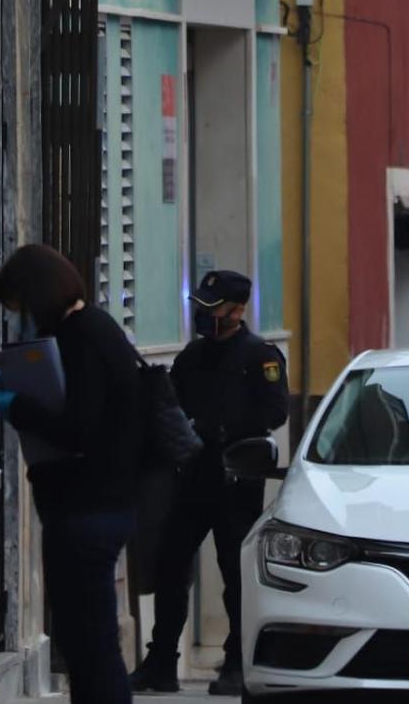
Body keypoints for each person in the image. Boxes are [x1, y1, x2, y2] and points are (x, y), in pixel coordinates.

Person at [0, 245, 144, 704]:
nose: (20, 320)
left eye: (20, 308)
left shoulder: (84, 336)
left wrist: (17, 407)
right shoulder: (93, 331)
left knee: (90, 645)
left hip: (88, 512)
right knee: (82, 641)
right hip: (95, 508)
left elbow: (79, 428)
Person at [131, 269, 289, 697]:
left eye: (211, 308)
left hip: (236, 478)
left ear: (237, 311)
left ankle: (237, 662)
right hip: (193, 476)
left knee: (234, 573)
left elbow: (275, 412)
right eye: (198, 307)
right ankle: (162, 660)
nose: (202, 315)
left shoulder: (261, 357)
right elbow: (174, 406)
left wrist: (222, 428)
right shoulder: (191, 357)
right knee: (170, 563)